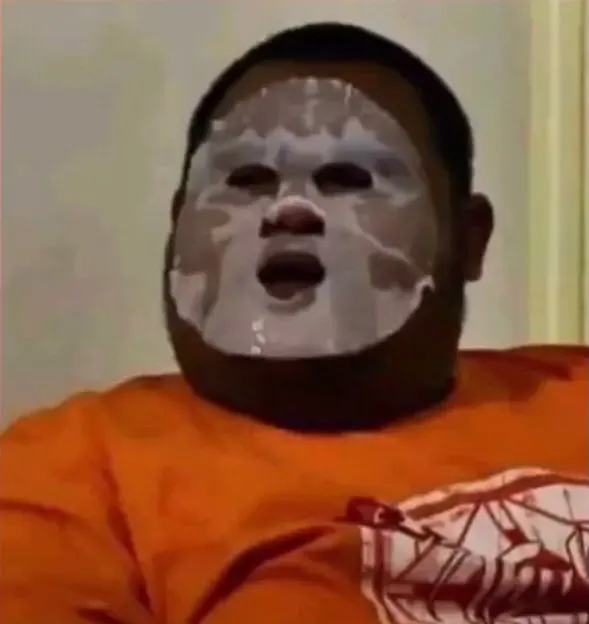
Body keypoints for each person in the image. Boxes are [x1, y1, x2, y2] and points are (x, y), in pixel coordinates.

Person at [1, 22, 587, 624]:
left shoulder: (573, 393)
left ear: (469, 240)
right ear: (180, 224)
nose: (290, 210)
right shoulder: (71, 476)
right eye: (246, 181)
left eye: (349, 180)